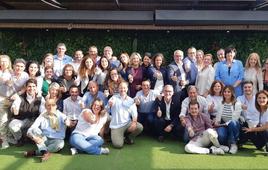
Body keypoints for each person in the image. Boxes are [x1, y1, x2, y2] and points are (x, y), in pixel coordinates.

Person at [8, 79, 45, 146]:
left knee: (41, 126)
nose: (31, 88)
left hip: (33, 121)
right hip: (21, 120)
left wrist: (36, 123)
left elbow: (43, 113)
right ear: (26, 87)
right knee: (12, 125)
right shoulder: (19, 98)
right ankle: (20, 139)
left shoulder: (40, 98)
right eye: (29, 86)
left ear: (36, 87)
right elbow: (14, 107)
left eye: (33, 86)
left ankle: (31, 138)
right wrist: (14, 109)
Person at [108, 81, 143, 148]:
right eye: (121, 88)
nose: (122, 90)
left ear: (127, 89)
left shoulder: (131, 100)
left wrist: (134, 122)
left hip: (127, 124)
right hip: (116, 126)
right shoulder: (113, 98)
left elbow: (134, 113)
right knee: (118, 145)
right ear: (118, 89)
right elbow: (107, 109)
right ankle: (120, 136)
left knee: (139, 127)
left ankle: (128, 137)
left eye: (124, 88)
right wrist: (109, 105)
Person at [214, 85, 242, 154]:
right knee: (221, 136)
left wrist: (222, 124)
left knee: (232, 123)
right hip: (224, 124)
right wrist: (217, 122)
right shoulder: (221, 103)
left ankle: (233, 144)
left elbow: (235, 119)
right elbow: (218, 116)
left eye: (229, 92)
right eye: (225, 91)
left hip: (234, 125)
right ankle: (228, 143)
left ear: (232, 93)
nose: (226, 93)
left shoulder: (237, 104)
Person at [237, 81, 260, 145]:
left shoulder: (258, 99)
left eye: (249, 87)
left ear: (253, 88)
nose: (247, 89)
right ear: (243, 89)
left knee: (259, 144)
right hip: (245, 124)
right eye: (245, 87)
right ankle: (242, 141)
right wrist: (240, 105)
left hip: (257, 125)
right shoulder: (240, 98)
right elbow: (237, 104)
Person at [0, 55, 13, 149]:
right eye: (1, 61)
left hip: (12, 99)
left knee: (10, 119)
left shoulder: (13, 72)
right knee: (3, 120)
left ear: (9, 63)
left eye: (5, 61)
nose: (3, 63)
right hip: (1, 99)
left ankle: (9, 137)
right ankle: (4, 140)